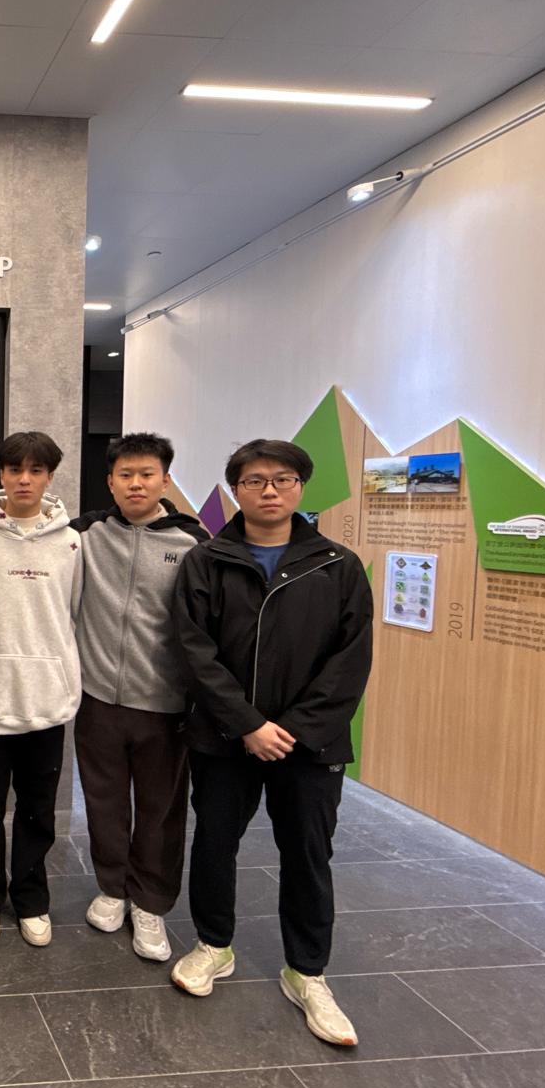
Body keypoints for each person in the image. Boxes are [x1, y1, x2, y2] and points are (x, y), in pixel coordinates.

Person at [171, 438, 373, 1047]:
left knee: (308, 854)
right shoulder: (206, 561)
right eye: (254, 480)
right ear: (236, 489)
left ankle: (307, 972)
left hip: (310, 745)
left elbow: (350, 660)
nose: (269, 490)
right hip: (224, 736)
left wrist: (294, 730)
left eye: (283, 479)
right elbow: (194, 652)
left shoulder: (337, 565)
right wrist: (247, 724)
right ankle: (213, 945)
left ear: (300, 487)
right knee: (214, 844)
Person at [70, 433, 209, 961]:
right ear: (110, 482)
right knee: (103, 802)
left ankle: (150, 901)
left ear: (165, 480)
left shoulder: (193, 544)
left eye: (147, 474)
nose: (136, 484)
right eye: (125, 475)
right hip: (98, 698)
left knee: (160, 810)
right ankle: (111, 887)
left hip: (165, 705)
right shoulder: (86, 534)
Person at [0, 431, 82, 948]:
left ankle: (32, 899)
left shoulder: (73, 542)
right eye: (15, 469)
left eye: (36, 470)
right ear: (2, 474)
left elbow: (73, 613)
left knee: (38, 811)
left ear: (50, 477)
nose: (25, 480)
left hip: (46, 700)